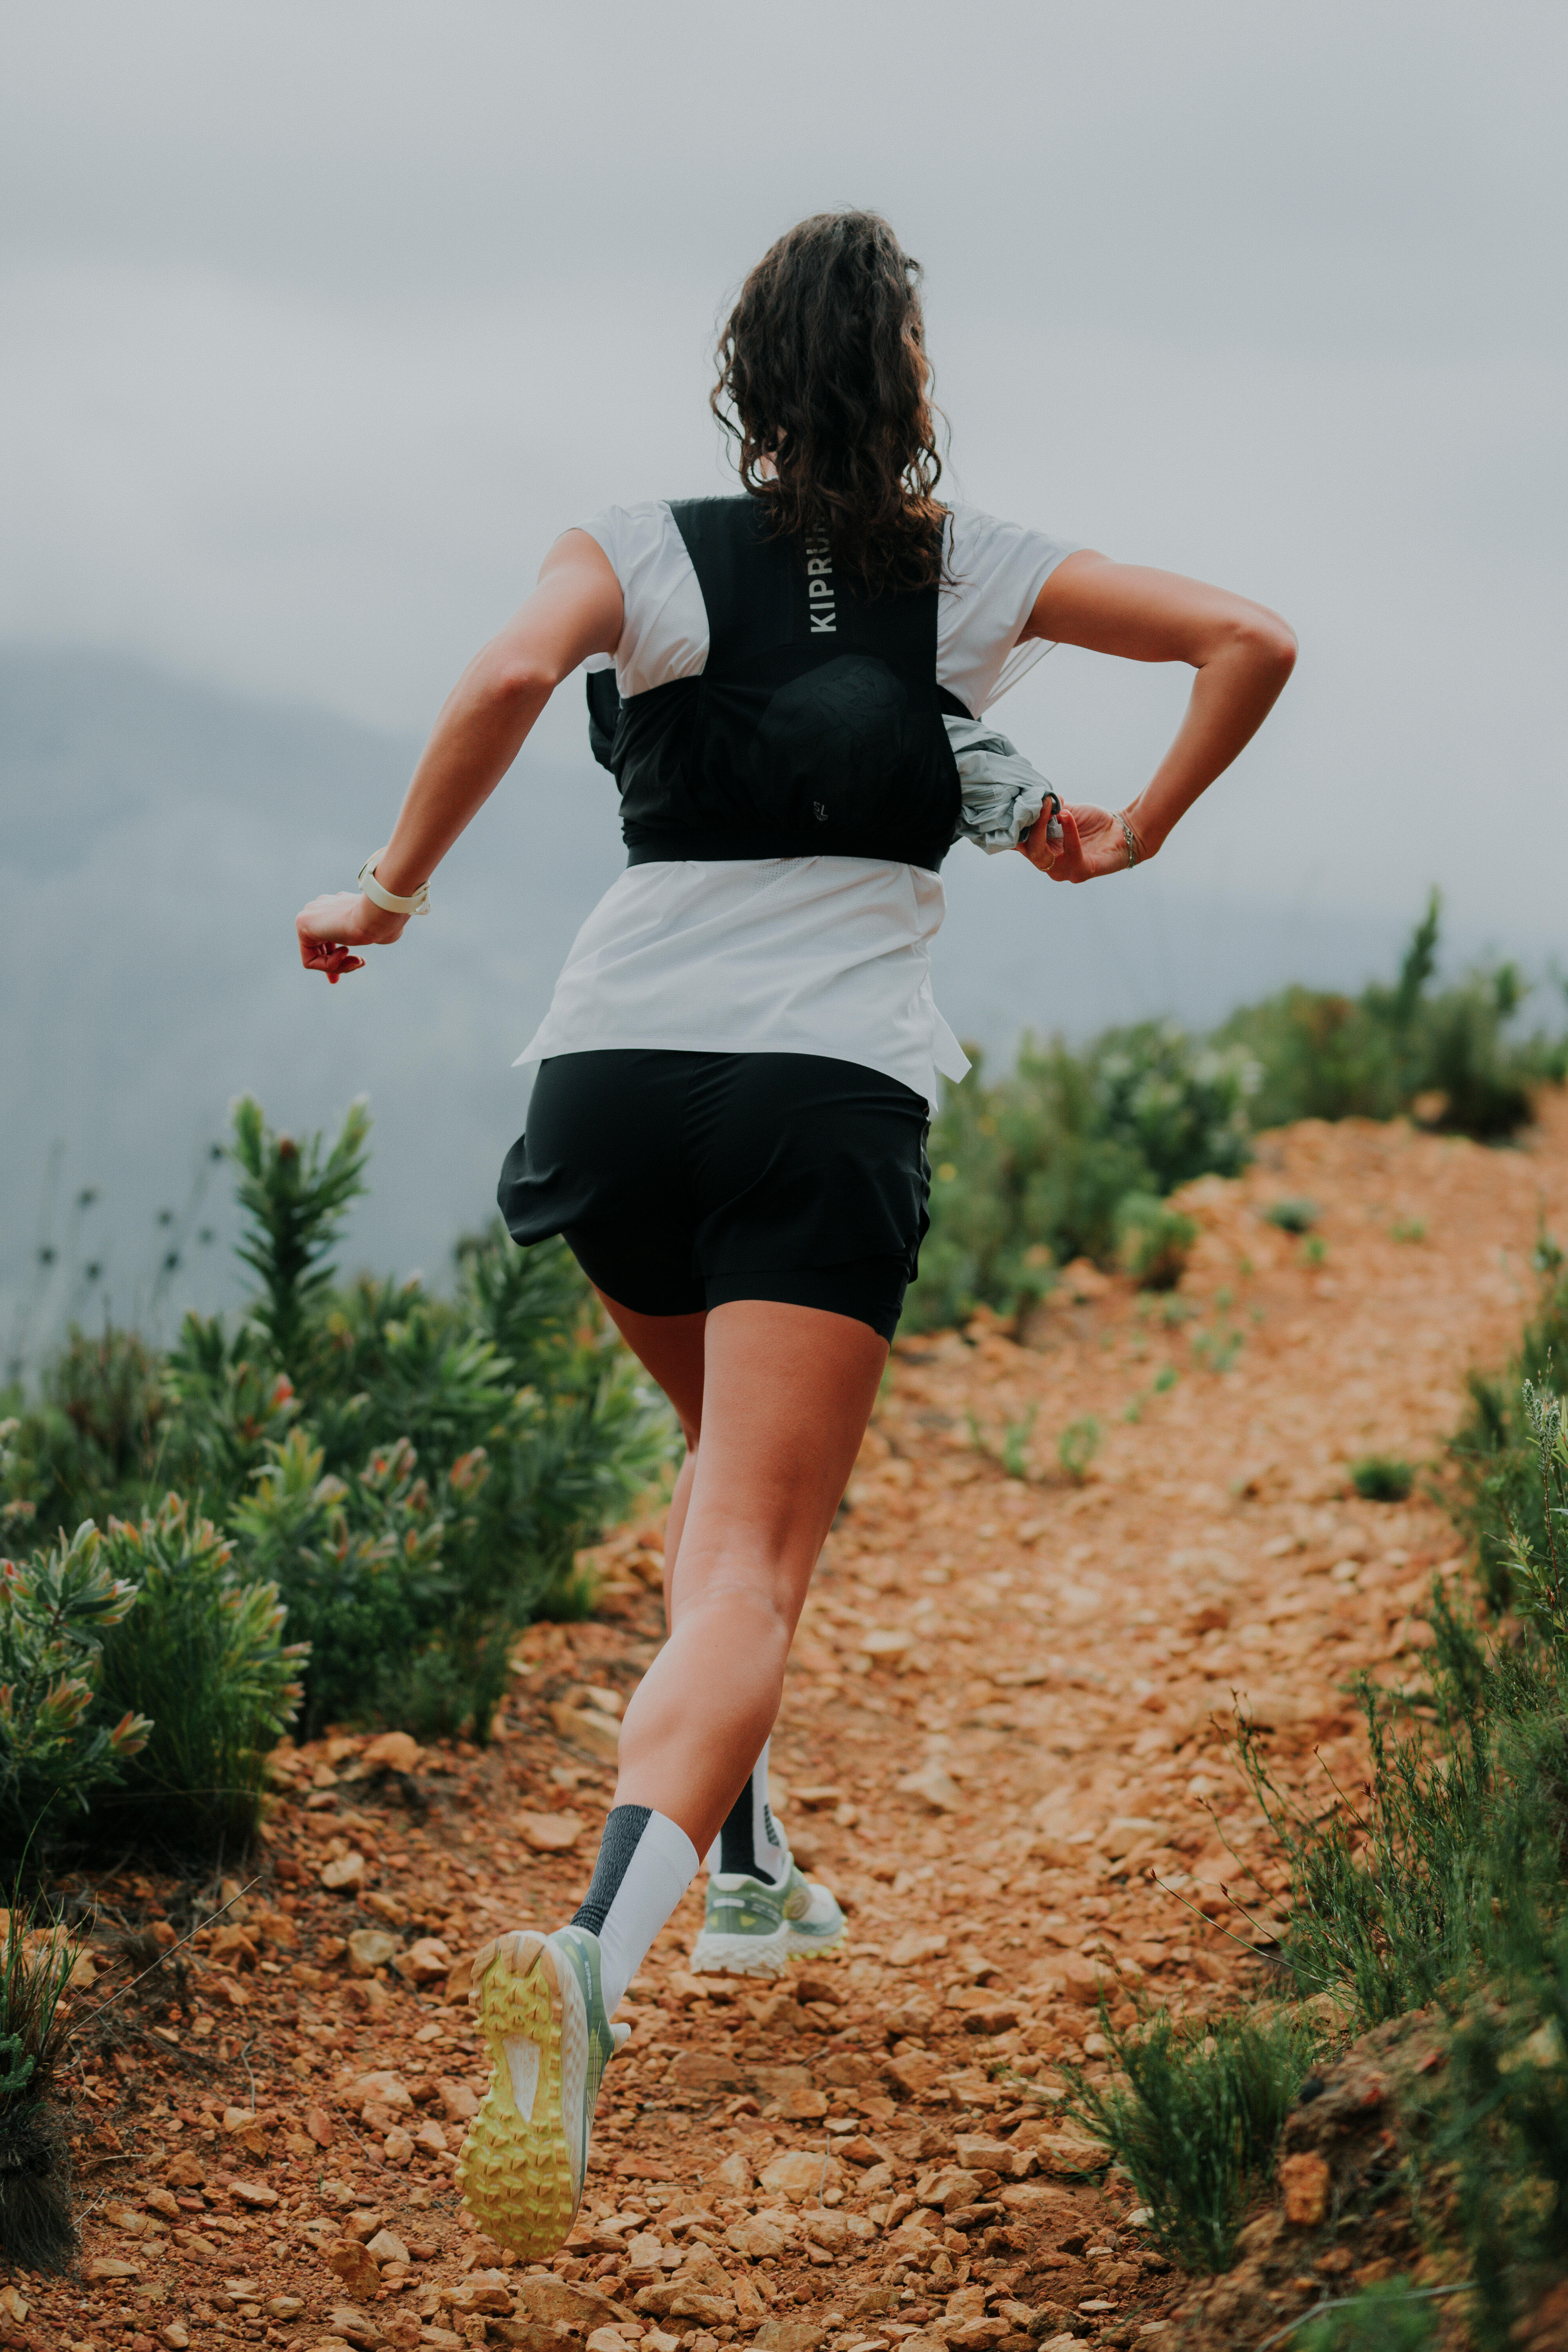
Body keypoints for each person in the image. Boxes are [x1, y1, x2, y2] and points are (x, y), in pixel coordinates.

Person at [295, 209, 1296, 2257]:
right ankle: (594, 1956)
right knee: (756, 1554)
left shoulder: (641, 543)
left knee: (712, 1495)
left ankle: (754, 1875)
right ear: (905, 383)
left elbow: (505, 670)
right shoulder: (971, 565)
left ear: (743, 377)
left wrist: (384, 896)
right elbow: (1249, 641)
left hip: (612, 1074)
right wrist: (1142, 823)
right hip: (819, 1088)